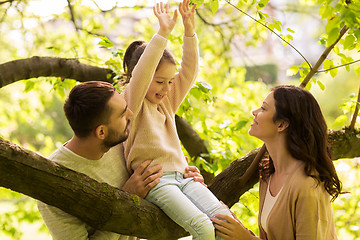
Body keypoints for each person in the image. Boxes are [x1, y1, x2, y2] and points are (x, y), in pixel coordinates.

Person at [122, 1, 233, 239]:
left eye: (170, 81)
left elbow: (189, 71)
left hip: (184, 176)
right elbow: (142, 73)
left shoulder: (166, 102)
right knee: (202, 227)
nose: (166, 88)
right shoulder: (133, 103)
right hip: (157, 182)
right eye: (160, 81)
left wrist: (189, 30)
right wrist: (163, 33)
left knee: (225, 221)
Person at [37, 81, 203, 240]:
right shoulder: (54, 182)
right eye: (123, 114)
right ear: (101, 132)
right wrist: (125, 200)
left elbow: (161, 188)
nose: (131, 114)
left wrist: (183, 178)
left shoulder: (124, 142)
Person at [211, 85, 342, 240]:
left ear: (281, 125)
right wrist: (237, 229)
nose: (254, 112)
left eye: (263, 109)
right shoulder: (268, 174)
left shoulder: (307, 186)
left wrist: (245, 238)